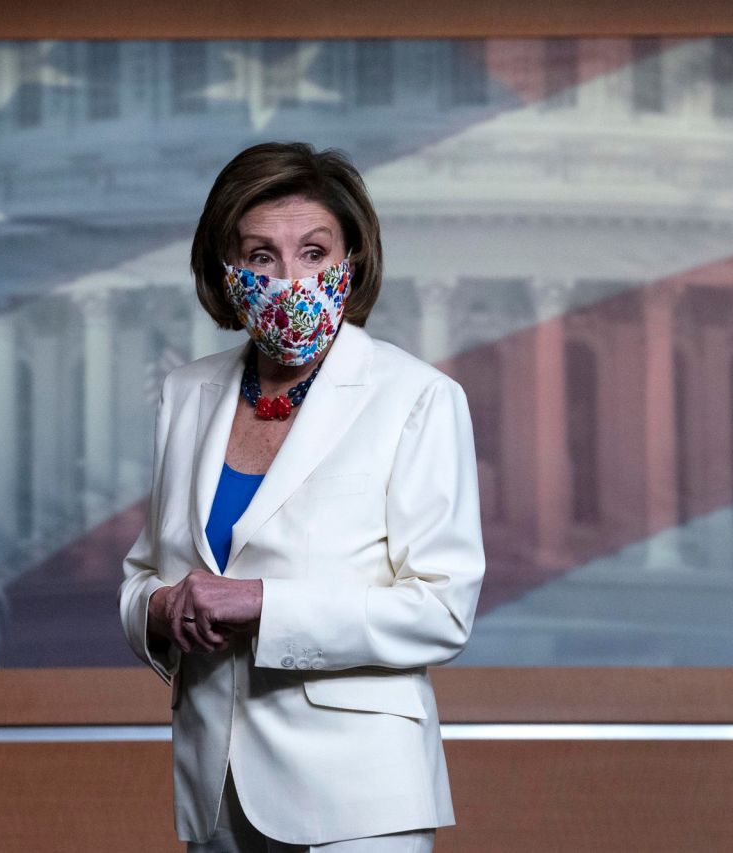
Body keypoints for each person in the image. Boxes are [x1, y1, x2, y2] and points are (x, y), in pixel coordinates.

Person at [118, 141, 485, 852]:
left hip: (358, 799)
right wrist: (160, 608)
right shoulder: (186, 394)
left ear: (352, 260)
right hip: (212, 790)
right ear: (226, 273)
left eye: (314, 252)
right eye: (261, 257)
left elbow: (442, 609)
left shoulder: (417, 398)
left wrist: (261, 603)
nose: (290, 278)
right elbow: (145, 574)